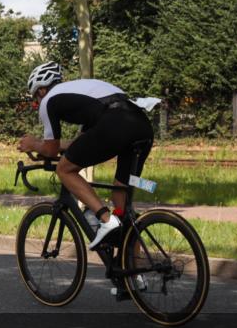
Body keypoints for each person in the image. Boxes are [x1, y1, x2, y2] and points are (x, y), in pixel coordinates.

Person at [17, 61, 154, 250]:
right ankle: (136, 274)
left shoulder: (49, 100)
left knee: (64, 170)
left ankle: (106, 220)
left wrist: (33, 144)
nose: (37, 104)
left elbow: (50, 149)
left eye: (35, 99)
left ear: (41, 90)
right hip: (140, 124)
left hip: (115, 123)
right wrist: (47, 149)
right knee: (120, 199)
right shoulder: (82, 94)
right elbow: (79, 144)